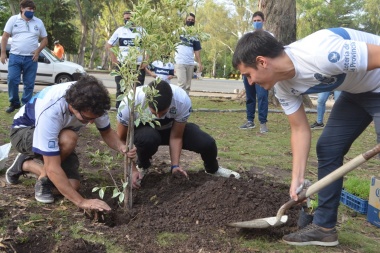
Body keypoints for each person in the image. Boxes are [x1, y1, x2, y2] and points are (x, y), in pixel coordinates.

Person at [232, 27, 380, 246]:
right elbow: (300, 129)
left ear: (262, 62)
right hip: (356, 92)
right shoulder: (283, 88)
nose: (250, 82)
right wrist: (297, 178)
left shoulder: (322, 53)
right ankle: (324, 228)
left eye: (248, 75)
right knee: (328, 148)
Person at [5, 75, 135, 212]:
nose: (91, 122)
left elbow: (107, 132)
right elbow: (52, 167)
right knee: (69, 138)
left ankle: (25, 164)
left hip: (58, 134)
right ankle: (42, 179)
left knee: (72, 186)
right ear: (72, 106)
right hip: (24, 132)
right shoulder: (51, 110)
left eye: (94, 119)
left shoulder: (95, 102)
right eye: (86, 118)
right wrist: (82, 202)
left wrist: (121, 146)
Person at [116, 80, 240, 189]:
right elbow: (121, 139)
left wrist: (175, 166)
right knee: (148, 139)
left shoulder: (181, 100)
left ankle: (213, 170)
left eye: (163, 112)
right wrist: (131, 169)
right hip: (146, 132)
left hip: (171, 129)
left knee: (207, 143)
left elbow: (176, 137)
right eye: (154, 113)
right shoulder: (131, 102)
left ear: (171, 103)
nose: (158, 117)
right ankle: (142, 165)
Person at [0, 0, 48, 114]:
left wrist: (38, 51)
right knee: (12, 80)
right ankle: (14, 103)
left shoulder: (38, 22)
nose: (31, 11)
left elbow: (45, 39)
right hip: (15, 56)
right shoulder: (13, 20)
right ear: (22, 8)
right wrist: (3, 52)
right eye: (28, 9)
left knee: (29, 83)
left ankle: (25, 105)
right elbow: (5, 37)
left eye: (32, 10)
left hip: (31, 59)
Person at [106, 10, 147, 109]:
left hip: (138, 65)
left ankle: (136, 111)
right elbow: (108, 45)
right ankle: (120, 111)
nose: (126, 20)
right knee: (121, 89)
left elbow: (148, 47)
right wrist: (114, 59)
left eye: (128, 18)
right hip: (123, 66)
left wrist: (146, 61)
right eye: (125, 19)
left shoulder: (142, 31)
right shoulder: (120, 30)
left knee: (138, 90)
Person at [239, 11, 270, 133]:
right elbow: (242, 54)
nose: (257, 23)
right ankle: (250, 121)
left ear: (263, 21)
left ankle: (263, 123)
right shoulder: (247, 36)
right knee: (250, 96)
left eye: (259, 20)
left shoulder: (268, 36)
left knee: (262, 96)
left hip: (262, 72)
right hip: (249, 71)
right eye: (255, 21)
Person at [174, 13, 203, 94]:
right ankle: (179, 103)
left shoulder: (195, 35)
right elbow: (170, 44)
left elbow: (197, 51)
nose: (190, 21)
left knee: (187, 86)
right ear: (185, 20)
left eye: (192, 20)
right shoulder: (178, 31)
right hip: (180, 62)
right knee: (181, 84)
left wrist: (200, 63)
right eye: (189, 19)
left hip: (190, 63)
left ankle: (186, 104)